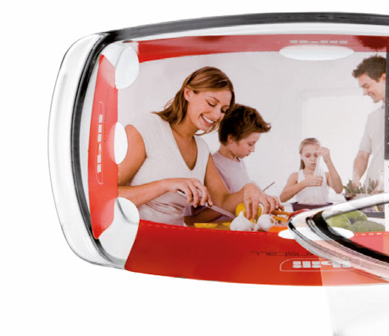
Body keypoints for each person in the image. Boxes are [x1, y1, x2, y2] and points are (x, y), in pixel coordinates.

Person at [117, 67, 275, 226]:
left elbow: (222, 202)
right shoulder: (147, 127)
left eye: (223, 110)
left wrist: (249, 189)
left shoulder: (202, 149)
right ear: (188, 93)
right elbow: (107, 195)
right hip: (137, 235)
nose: (217, 115)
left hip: (174, 236)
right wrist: (165, 184)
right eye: (211, 103)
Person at [350, 55, 386, 192]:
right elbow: (363, 155)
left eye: (366, 86)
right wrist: (355, 179)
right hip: (371, 191)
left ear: (384, 78)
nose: (364, 93)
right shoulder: (373, 117)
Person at [279, 137, 343, 208]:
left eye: (316, 155)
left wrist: (328, 161)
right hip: (302, 213)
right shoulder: (295, 176)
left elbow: (339, 190)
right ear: (301, 155)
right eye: (307, 156)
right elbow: (282, 198)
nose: (312, 159)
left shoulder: (326, 175)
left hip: (321, 213)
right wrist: (304, 183)